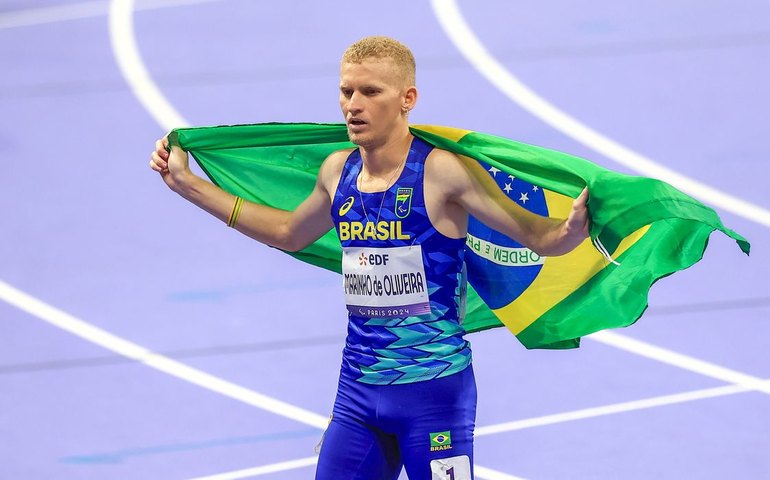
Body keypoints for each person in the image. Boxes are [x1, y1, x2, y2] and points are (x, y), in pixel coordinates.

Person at [150, 36, 588, 480]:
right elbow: (288, 232)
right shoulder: (338, 171)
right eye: (346, 91)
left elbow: (540, 238)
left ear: (407, 99)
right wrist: (189, 186)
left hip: (434, 395)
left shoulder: (442, 174)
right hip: (358, 391)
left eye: (370, 92)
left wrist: (571, 229)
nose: (353, 106)